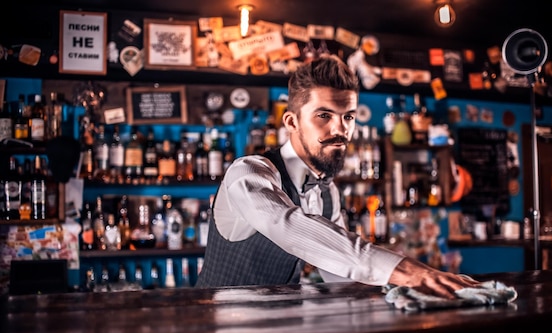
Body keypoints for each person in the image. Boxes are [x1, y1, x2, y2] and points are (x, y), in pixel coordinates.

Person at [195, 55, 478, 299]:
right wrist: (407, 271)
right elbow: (288, 226)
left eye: (349, 117)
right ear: (292, 122)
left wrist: (406, 296)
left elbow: (341, 275)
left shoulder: (327, 194)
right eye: (324, 115)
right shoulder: (248, 173)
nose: (340, 129)